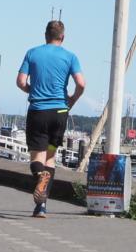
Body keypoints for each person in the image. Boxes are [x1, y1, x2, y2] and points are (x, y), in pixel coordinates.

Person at [17, 20, 86, 218]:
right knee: (50, 158)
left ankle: (40, 176)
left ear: (45, 35)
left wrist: (33, 90)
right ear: (62, 37)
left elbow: (21, 82)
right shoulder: (70, 56)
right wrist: (71, 100)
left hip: (38, 112)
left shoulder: (33, 53)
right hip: (60, 115)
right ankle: (42, 207)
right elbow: (81, 84)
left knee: (37, 160)